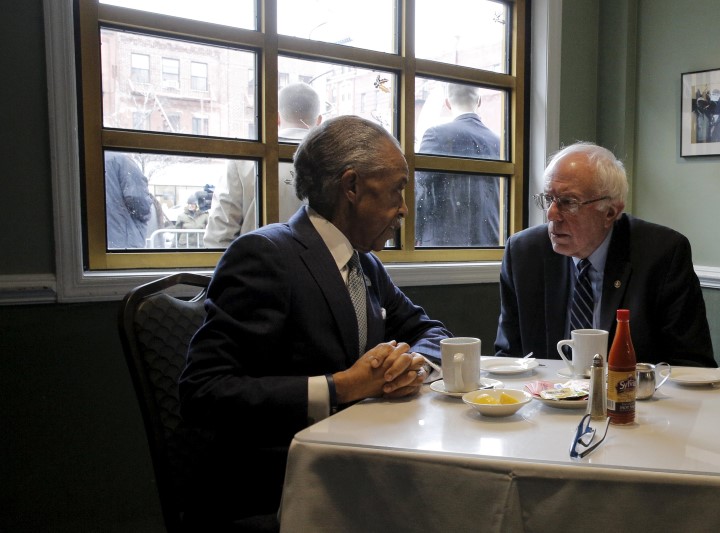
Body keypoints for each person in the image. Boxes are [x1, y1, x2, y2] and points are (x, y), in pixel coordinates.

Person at [179, 115, 452, 529]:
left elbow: (431, 332)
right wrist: (340, 386)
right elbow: (204, 391)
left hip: (357, 465)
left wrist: (413, 362)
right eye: (397, 188)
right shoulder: (265, 256)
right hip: (279, 486)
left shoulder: (365, 263)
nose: (403, 207)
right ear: (352, 187)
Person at [495, 142, 716, 368]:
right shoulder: (523, 253)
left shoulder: (662, 254)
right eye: (549, 199)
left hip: (633, 398)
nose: (552, 214)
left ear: (610, 212)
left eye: (568, 202)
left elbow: (692, 365)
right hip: (545, 399)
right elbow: (509, 358)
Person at [203, 82, 323, 248]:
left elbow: (220, 235)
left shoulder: (245, 159)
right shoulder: (335, 162)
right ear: (319, 121)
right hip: (320, 269)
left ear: (276, 118)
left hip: (256, 268)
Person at [415, 83, 501, 247]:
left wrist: (412, 236)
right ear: (480, 101)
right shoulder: (499, 142)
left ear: (447, 103)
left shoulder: (436, 135)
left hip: (443, 245)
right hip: (491, 243)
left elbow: (419, 189)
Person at [104, 152, 153, 249]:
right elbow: (138, 199)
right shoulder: (121, 160)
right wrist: (146, 214)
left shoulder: (86, 159)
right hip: (123, 239)